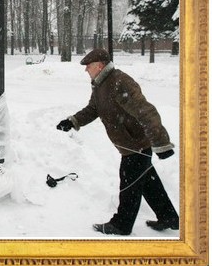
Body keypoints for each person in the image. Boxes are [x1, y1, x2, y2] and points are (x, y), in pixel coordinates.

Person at [56, 48, 178, 235]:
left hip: (136, 145)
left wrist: (161, 142)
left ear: (100, 65)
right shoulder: (100, 84)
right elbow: (93, 109)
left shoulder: (119, 82)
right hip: (130, 145)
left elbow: (146, 112)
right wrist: (73, 121)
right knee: (147, 181)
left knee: (129, 183)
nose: (86, 69)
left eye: (88, 66)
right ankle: (168, 216)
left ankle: (122, 224)